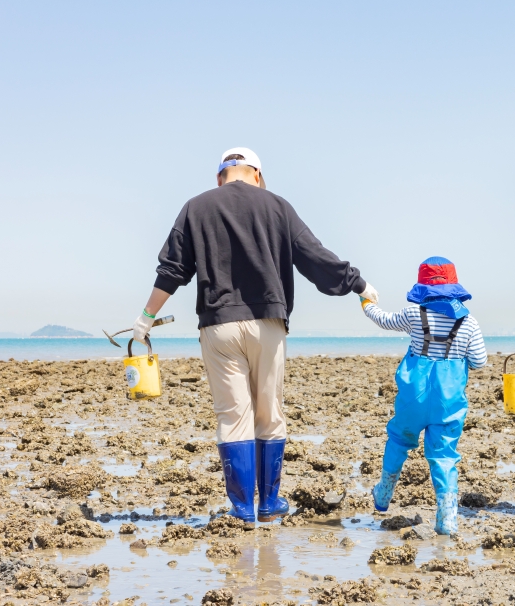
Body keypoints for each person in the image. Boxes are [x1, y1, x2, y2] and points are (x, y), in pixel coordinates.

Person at [132, 147, 377, 526]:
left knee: (233, 416)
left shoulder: (196, 207)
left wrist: (146, 318)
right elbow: (314, 257)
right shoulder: (277, 206)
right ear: (258, 175)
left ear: (220, 177)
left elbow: (172, 270)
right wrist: (358, 284)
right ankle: (270, 504)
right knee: (269, 412)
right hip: (268, 322)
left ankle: (242, 508)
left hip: (218, 324)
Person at [361, 257, 487, 535]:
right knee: (444, 455)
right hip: (449, 400)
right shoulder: (469, 322)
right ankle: (448, 519)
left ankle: (383, 495)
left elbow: (384, 320)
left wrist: (366, 302)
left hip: (413, 396)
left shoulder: (413, 314)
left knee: (398, 438)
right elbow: (479, 361)